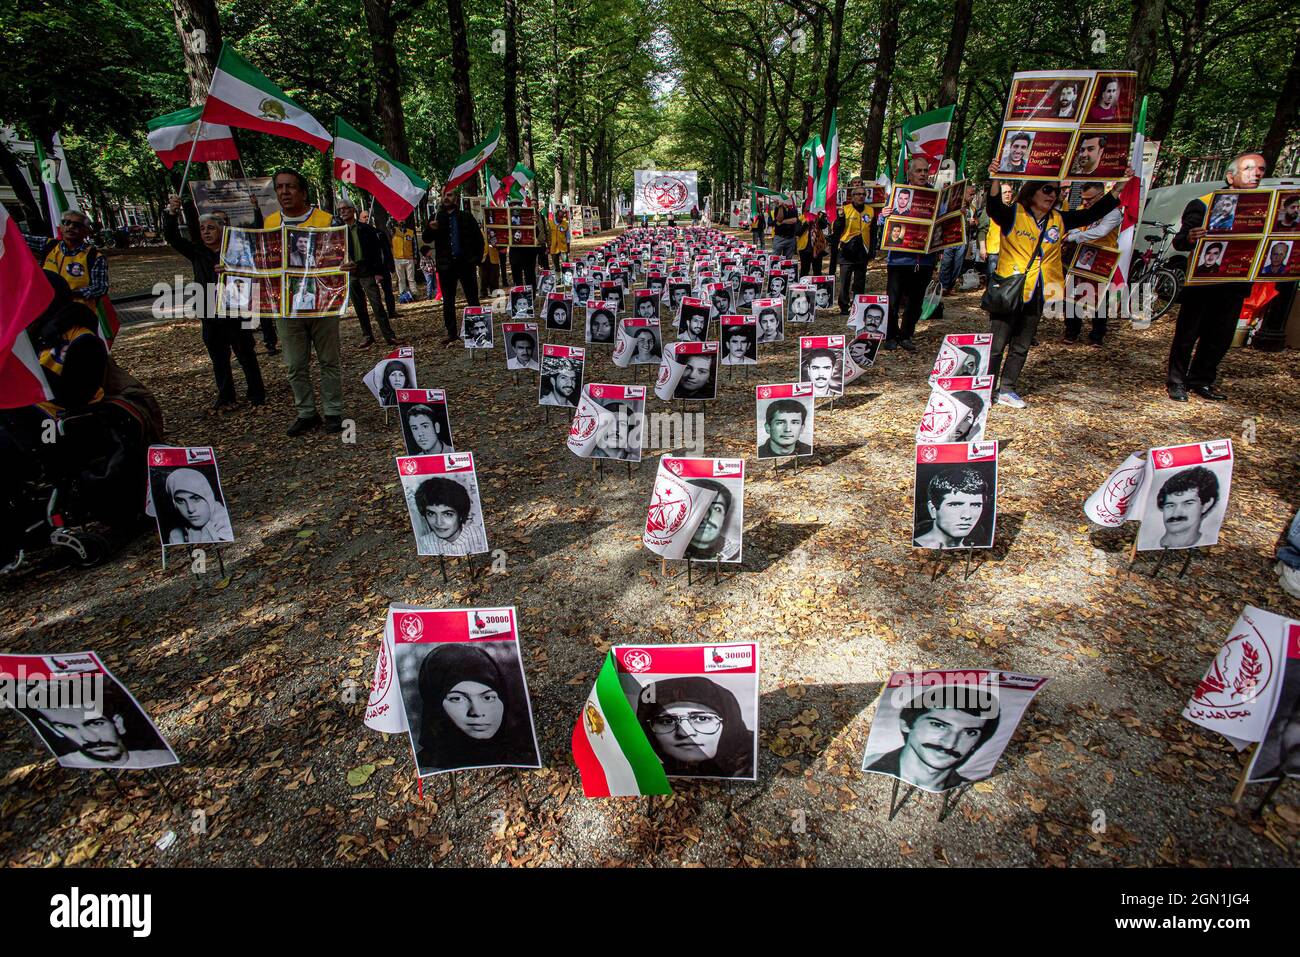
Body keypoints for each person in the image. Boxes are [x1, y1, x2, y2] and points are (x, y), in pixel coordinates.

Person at [981, 160, 1129, 408]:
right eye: (1047, 190)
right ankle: (985, 388)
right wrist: (995, 176)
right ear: (1032, 192)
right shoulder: (1012, 214)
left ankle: (1007, 388)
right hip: (1010, 287)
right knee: (997, 344)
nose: (1053, 195)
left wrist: (1118, 188)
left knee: (1022, 344)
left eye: (1056, 191)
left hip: (1039, 290)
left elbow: (1092, 213)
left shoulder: (1059, 219)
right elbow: (993, 206)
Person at [1166, 152, 1267, 402]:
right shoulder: (1203, 203)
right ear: (1231, 176)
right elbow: (1180, 241)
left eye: (1261, 169)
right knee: (1187, 335)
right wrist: (1190, 238)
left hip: (1235, 283)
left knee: (1220, 337)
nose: (1256, 174)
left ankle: (1201, 380)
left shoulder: (1265, 207)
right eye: (1249, 168)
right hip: (1202, 284)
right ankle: (1176, 381)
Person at [161, 195, 266, 409]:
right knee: (219, 358)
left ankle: (256, 393)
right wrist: (171, 213)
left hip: (235, 311)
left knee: (245, 353)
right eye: (202, 228)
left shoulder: (236, 250)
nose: (206, 232)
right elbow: (172, 237)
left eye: (211, 227)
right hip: (209, 312)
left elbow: (257, 235)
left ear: (221, 229)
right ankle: (226, 396)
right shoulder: (196, 252)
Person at [263, 169, 345, 436]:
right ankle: (306, 412)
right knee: (294, 364)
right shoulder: (269, 223)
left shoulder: (326, 220)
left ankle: (333, 411)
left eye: (290, 187)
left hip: (323, 304)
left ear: (303, 191)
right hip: (287, 307)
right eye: (279, 187)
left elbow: (341, 254)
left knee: (328, 360)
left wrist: (347, 264)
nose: (284, 192)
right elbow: (263, 262)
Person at [413, 643, 537, 773]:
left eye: (487, 697)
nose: (477, 712)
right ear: (435, 705)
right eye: (457, 698)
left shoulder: (522, 756)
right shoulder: (429, 766)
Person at [864, 686, 1000, 792]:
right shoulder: (871, 764)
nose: (950, 743)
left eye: (970, 732)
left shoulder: (967, 784)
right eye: (939, 725)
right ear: (906, 724)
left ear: (977, 743)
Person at [24, 687, 175, 769]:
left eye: (96, 724)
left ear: (118, 723)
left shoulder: (159, 755)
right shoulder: (69, 760)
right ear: (56, 730)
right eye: (67, 727)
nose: (90, 738)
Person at [636, 676, 752, 777]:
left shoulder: (750, 770)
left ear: (729, 723)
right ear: (648, 730)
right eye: (667, 721)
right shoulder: (645, 774)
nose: (684, 732)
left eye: (702, 719)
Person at [885, 156, 941, 351]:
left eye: (926, 171)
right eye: (919, 171)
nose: (923, 174)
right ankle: (890, 335)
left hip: (924, 260)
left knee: (916, 301)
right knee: (893, 300)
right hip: (899, 259)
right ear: (910, 174)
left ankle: (906, 334)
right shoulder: (897, 194)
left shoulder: (936, 196)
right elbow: (885, 225)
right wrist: (885, 215)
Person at [1062, 182, 1124, 345]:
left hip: (1103, 258)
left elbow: (1100, 231)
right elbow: (1076, 227)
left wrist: (1074, 236)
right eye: (1083, 199)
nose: (1086, 203)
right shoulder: (1082, 210)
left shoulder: (1113, 212)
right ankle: (1071, 331)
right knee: (1072, 293)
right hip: (1081, 255)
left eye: (1090, 199)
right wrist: (1073, 233)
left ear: (1101, 195)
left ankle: (1097, 334)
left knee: (1100, 297)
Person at [423, 188, 485, 344]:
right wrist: (431, 228)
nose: (446, 198)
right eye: (444, 195)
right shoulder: (436, 217)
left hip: (465, 264)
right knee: (448, 300)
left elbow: (479, 239)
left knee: (472, 298)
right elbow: (426, 239)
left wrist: (476, 260)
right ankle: (451, 333)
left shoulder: (466, 216)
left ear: (456, 198)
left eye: (449, 195)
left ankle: (477, 331)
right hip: (446, 266)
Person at [337, 198, 398, 347]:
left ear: (353, 210)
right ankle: (367, 336)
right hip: (350, 274)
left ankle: (389, 336)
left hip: (367, 271)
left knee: (377, 305)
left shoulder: (367, 229)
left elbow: (377, 252)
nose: (342, 211)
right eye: (340, 210)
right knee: (359, 306)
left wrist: (378, 272)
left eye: (345, 208)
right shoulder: (338, 232)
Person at [914, 465, 991, 548]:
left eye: (976, 505)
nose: (967, 516)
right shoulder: (915, 549)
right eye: (955, 505)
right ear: (933, 509)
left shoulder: (979, 547)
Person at [412, 476, 486, 555]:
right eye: (431, 514)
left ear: (461, 515)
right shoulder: (424, 543)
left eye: (447, 514)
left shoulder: (481, 535)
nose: (439, 522)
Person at [1155, 466, 1220, 549]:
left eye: (1188, 503)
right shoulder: (1147, 544)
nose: (1176, 513)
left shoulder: (1209, 547)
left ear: (1207, 505)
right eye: (1170, 505)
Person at [834, 184, 872, 315]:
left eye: (863, 194)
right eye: (858, 194)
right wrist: (839, 218)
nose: (861, 196)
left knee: (860, 281)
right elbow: (837, 230)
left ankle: (858, 305)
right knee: (845, 280)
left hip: (862, 250)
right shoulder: (844, 209)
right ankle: (844, 306)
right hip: (847, 250)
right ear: (852, 196)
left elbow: (873, 231)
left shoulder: (870, 210)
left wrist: (872, 250)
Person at [683, 479, 741, 561]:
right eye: (698, 506)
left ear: (724, 519)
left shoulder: (736, 553)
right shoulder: (667, 548)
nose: (706, 516)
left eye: (717, 509)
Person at [390, 216, 418, 302]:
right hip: (398, 258)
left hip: (409, 258)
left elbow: (415, 246)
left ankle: (414, 293)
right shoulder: (393, 231)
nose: (401, 221)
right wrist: (391, 216)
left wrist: (415, 256)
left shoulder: (410, 232)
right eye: (399, 219)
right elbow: (388, 225)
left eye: (402, 219)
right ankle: (402, 294)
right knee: (401, 279)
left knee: (411, 278)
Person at [549, 208, 570, 272]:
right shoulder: (550, 223)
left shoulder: (565, 224)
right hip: (554, 248)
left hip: (563, 247)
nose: (561, 218)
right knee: (556, 267)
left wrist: (568, 247)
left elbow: (568, 236)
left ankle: (566, 278)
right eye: (560, 217)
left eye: (562, 217)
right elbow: (548, 236)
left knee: (566, 265)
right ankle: (558, 279)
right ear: (556, 216)